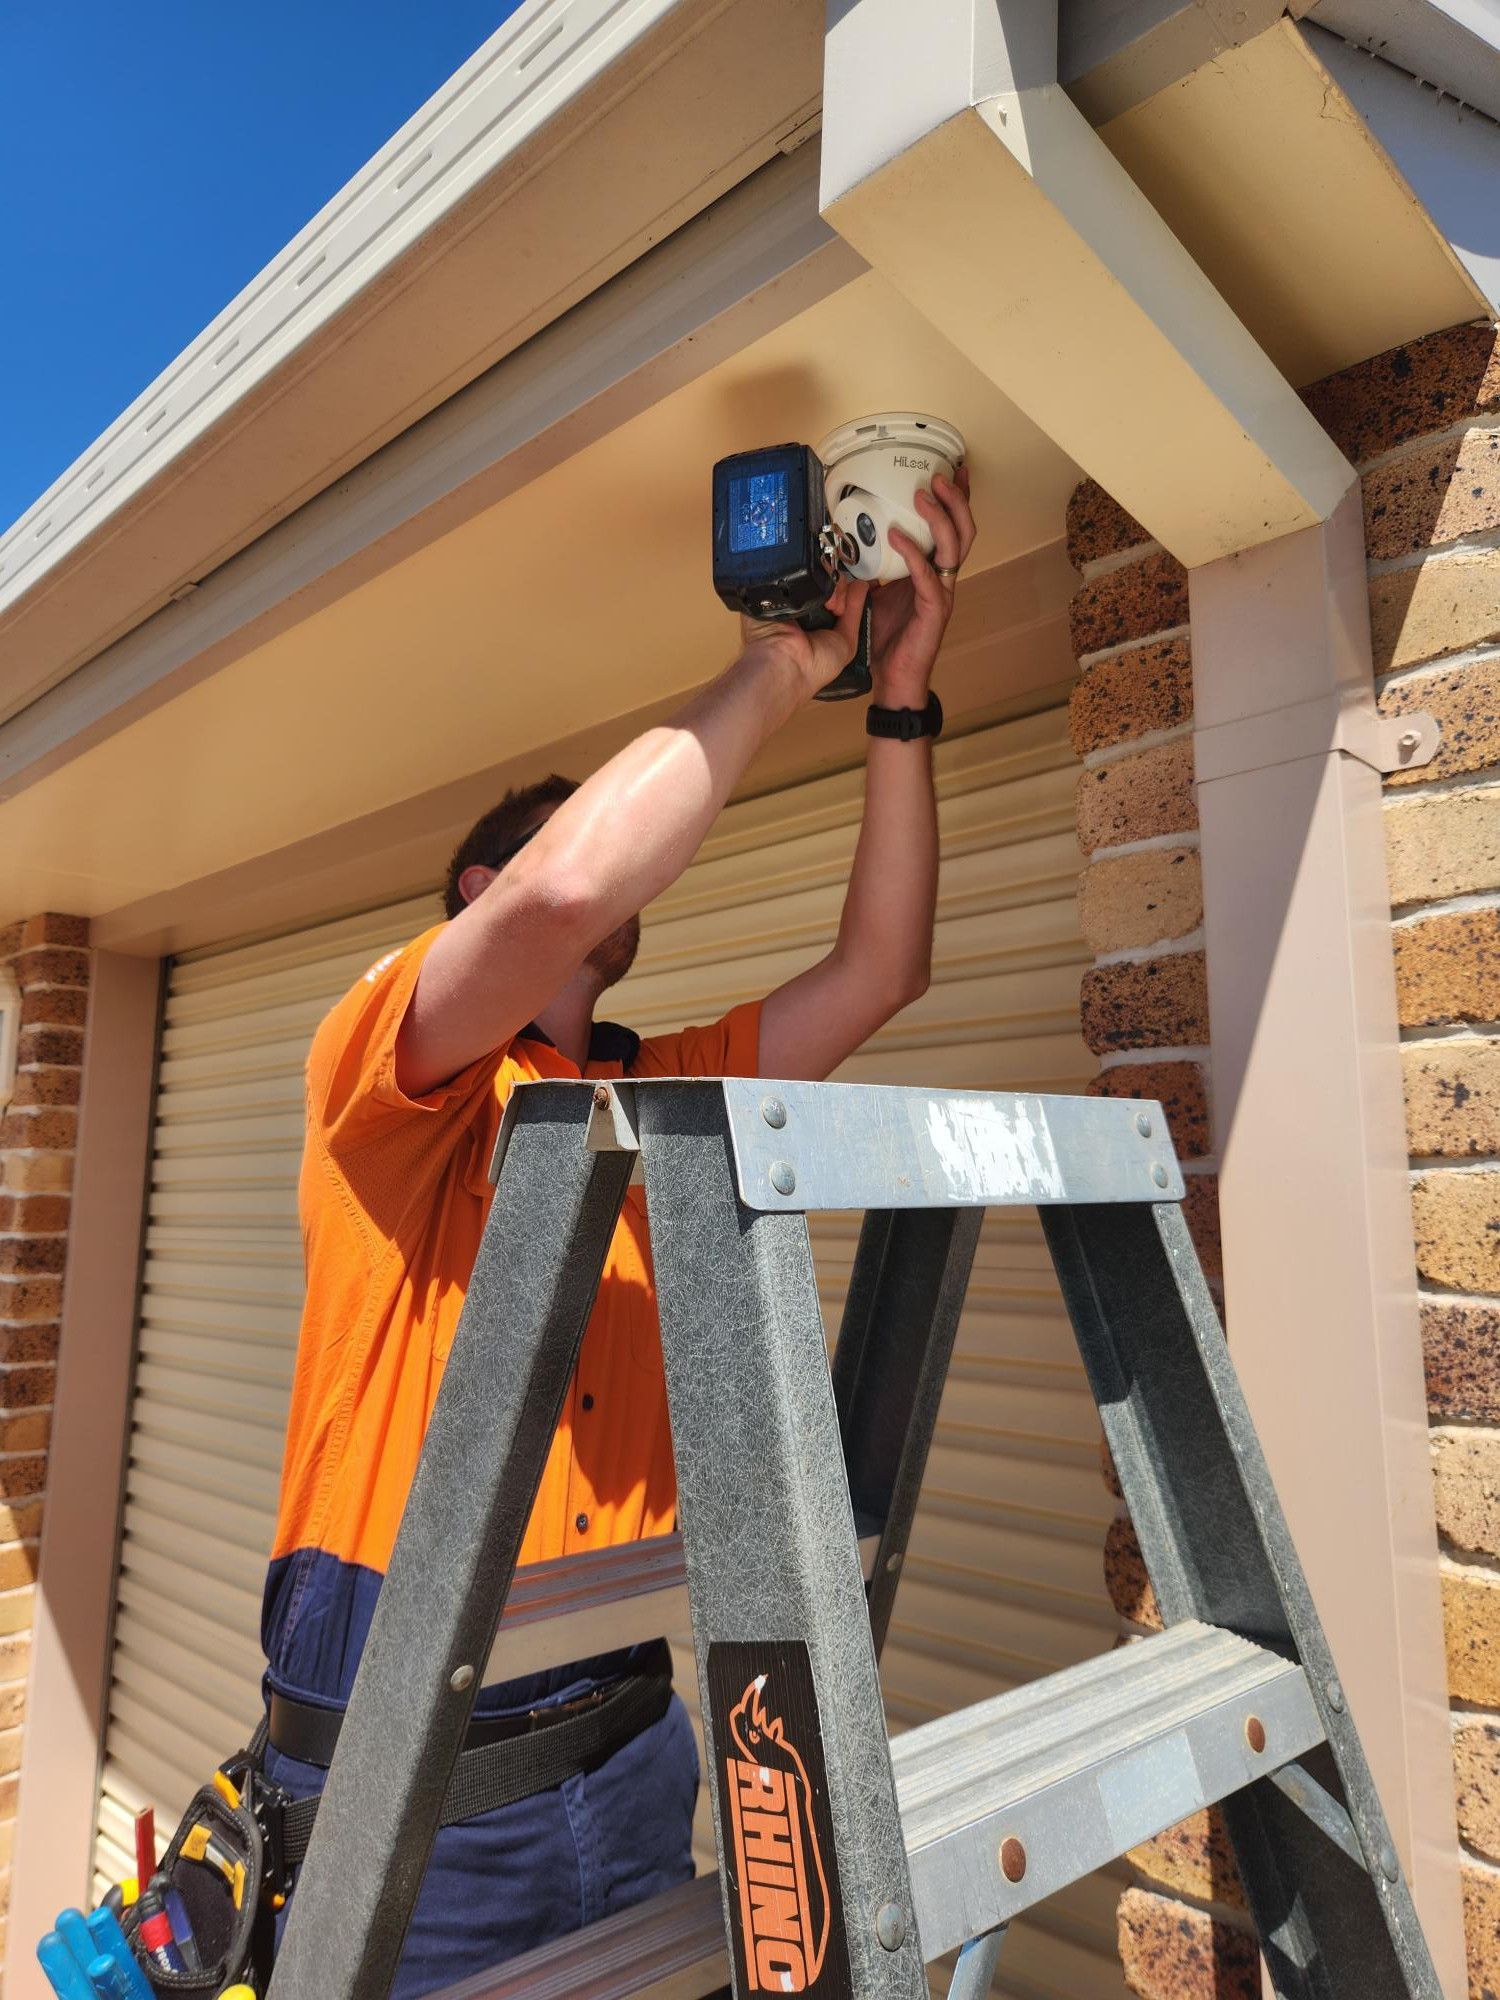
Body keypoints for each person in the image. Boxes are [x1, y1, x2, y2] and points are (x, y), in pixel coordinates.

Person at [259, 470, 976, 1996]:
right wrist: (783, 663)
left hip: (639, 1743)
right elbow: (573, 878)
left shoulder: (656, 1092)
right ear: (477, 895)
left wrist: (898, 703)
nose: (616, 846)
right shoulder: (385, 1082)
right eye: (553, 840)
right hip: (414, 1777)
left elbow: (881, 969)